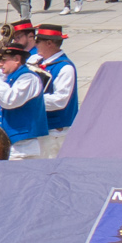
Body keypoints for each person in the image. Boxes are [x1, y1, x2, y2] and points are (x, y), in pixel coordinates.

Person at [0, 43, 50, 159]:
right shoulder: (8, 77)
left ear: (17, 59)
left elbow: (9, 101)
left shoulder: (28, 78)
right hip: (7, 146)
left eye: (4, 60)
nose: (0, 64)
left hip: (23, 148)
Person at [35, 24, 80, 158]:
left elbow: (60, 101)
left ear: (49, 43)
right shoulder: (39, 62)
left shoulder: (65, 68)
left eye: (38, 41)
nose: (36, 45)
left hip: (56, 133)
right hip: (44, 129)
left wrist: (31, 100)